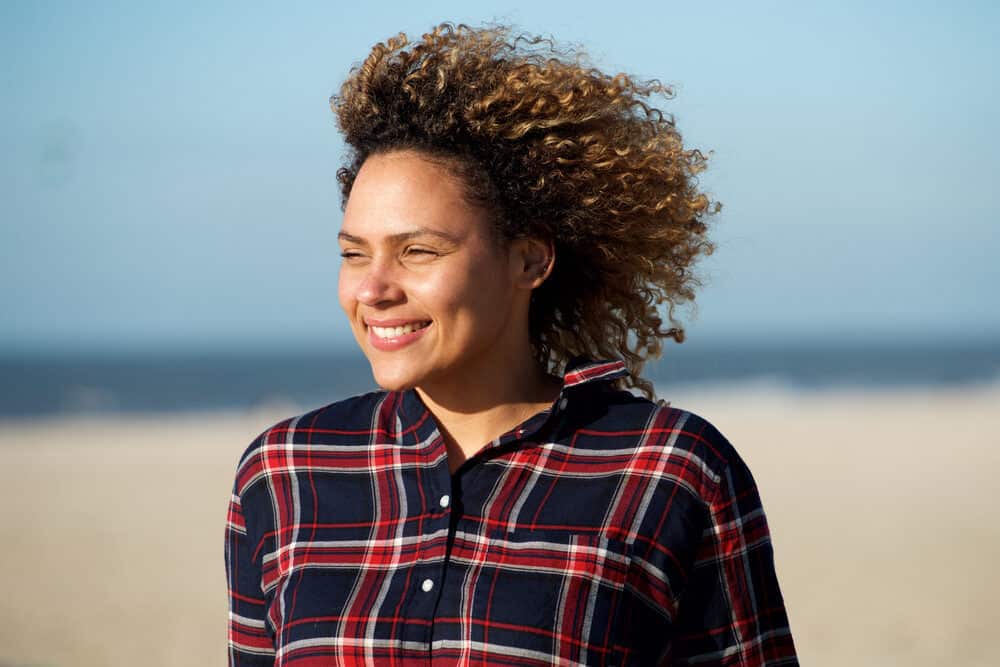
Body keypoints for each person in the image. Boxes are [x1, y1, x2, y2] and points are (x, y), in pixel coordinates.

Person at [225, 22, 798, 666]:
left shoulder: (672, 468)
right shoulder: (283, 473)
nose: (374, 289)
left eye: (417, 251)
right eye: (354, 255)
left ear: (528, 261)